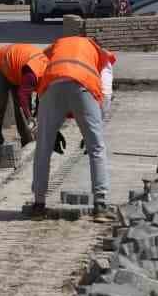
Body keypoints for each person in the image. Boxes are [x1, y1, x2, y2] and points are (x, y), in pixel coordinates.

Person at [28, 34, 116, 221]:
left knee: (43, 147)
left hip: (51, 86)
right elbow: (106, 94)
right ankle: (100, 206)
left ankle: (38, 205)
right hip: (83, 85)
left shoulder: (59, 45)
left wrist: (50, 125)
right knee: (96, 148)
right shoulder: (102, 55)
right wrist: (94, 129)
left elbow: (39, 72)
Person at [0, 42, 48, 151]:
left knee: (22, 108)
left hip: (18, 70)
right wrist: (30, 117)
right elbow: (22, 95)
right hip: (1, 63)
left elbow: (42, 100)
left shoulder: (49, 77)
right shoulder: (33, 75)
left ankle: (27, 142)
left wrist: (38, 117)